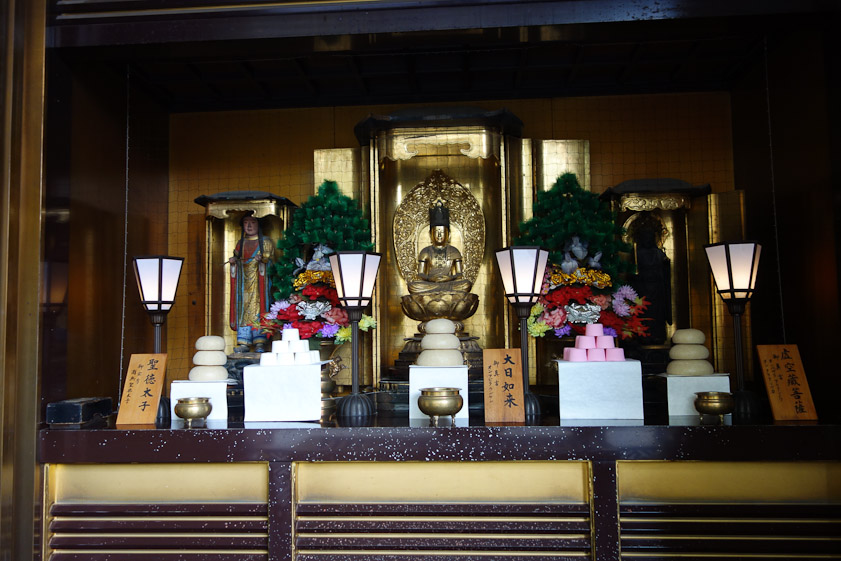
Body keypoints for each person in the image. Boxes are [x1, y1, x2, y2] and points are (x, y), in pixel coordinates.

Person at [229, 213, 274, 352]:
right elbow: (236, 259)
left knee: (258, 309)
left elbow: (270, 262)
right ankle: (244, 342)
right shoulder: (240, 243)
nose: (248, 226)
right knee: (243, 311)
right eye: (246, 223)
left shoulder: (265, 242)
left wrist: (263, 260)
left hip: (258, 283)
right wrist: (233, 263)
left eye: (252, 222)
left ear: (258, 224)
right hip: (243, 284)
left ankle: (260, 341)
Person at [408, 200, 472, 294]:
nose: (439, 235)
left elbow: (459, 274)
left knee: (466, 284)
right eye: (436, 232)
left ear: (448, 235)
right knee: (413, 286)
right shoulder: (425, 251)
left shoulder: (454, 251)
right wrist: (430, 278)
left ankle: (441, 291)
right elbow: (420, 274)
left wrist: (449, 278)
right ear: (430, 234)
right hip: (430, 284)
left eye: (442, 232)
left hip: (449, 283)